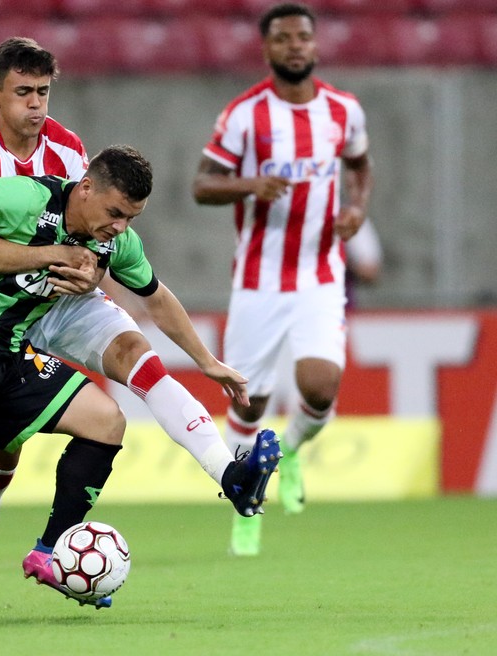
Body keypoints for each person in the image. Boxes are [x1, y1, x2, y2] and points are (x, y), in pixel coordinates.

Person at [0, 145, 278, 627]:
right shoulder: (26, 199)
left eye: (131, 218)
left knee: (106, 422)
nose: (120, 227)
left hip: (12, 352)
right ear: (85, 188)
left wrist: (206, 361)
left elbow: (157, 297)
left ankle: (50, 549)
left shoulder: (112, 243)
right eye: (114, 213)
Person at [0, 37, 278, 617]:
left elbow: (94, 229)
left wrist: (92, 279)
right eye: (24, 93)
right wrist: (52, 260)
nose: (36, 105)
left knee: (138, 354)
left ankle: (229, 474)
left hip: (65, 299)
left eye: (43, 91)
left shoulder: (68, 149)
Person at [191, 2, 374, 556]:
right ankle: (247, 508)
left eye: (303, 37)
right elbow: (202, 185)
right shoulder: (245, 114)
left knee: (320, 388)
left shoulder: (344, 110)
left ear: (315, 47)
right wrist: (250, 184)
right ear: (267, 48)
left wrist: (357, 210)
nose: (294, 45)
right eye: (283, 38)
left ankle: (289, 452)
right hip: (258, 281)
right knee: (248, 405)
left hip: (320, 274)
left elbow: (360, 166)